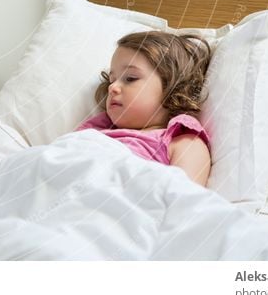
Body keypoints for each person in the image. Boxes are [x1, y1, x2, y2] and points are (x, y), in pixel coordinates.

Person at [75, 31, 212, 186]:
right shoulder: (96, 132)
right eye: (111, 80)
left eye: (130, 78)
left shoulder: (182, 141)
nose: (112, 87)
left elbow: (186, 198)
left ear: (173, 87)